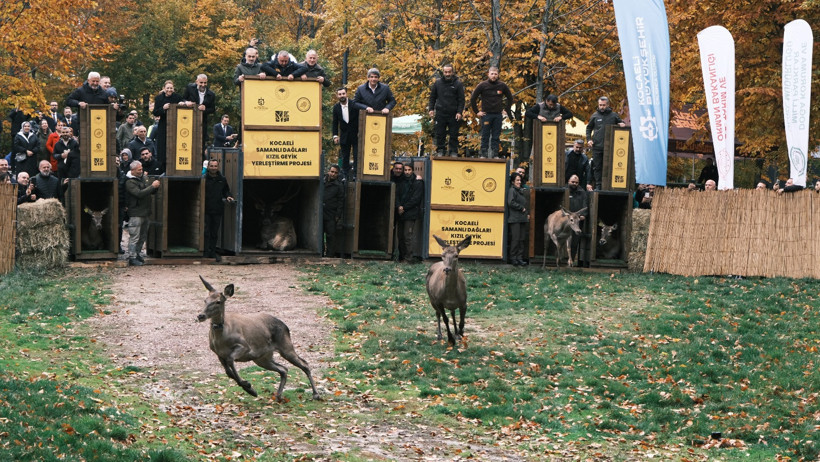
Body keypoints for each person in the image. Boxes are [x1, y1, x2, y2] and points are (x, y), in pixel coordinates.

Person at [470, 67, 514, 158]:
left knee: (496, 136)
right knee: (485, 135)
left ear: (498, 75)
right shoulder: (482, 85)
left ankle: (495, 154)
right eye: (492, 74)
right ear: (488, 74)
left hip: (498, 115)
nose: (493, 76)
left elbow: (510, 98)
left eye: (495, 74)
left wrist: (506, 109)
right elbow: (473, 98)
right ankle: (483, 154)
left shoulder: (502, 85)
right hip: (486, 114)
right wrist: (477, 112)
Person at [124, 161, 160, 266]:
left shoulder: (143, 178)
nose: (141, 171)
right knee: (134, 236)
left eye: (141, 168)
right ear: (132, 170)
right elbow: (139, 194)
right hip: (135, 213)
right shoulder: (129, 182)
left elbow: (148, 190)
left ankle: (137, 253)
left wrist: (155, 188)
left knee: (143, 236)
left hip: (145, 212)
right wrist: (153, 187)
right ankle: (132, 257)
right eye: (139, 169)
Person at [585, 96, 625, 190]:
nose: (602, 107)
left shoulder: (614, 115)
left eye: (603, 105)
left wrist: (621, 124)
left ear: (607, 105)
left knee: (609, 166)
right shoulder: (594, 115)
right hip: (597, 146)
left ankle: (609, 185)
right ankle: (598, 185)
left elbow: (621, 123)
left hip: (610, 146)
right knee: (597, 167)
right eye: (600, 105)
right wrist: (589, 139)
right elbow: (589, 128)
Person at [427, 64, 465, 157]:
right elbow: (432, 97)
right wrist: (431, 109)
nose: (447, 74)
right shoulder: (437, 83)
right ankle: (440, 150)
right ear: (443, 72)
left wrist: (459, 112)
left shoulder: (458, 84)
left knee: (454, 134)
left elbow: (461, 100)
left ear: (452, 72)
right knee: (440, 133)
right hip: (440, 112)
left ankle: (453, 151)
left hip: (454, 113)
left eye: (449, 72)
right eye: (445, 72)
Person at [203, 158, 235, 261]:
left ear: (218, 167)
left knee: (214, 232)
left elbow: (226, 190)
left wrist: (228, 196)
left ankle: (212, 252)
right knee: (206, 232)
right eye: (211, 166)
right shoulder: (204, 178)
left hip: (217, 209)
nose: (213, 168)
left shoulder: (222, 179)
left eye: (215, 166)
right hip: (206, 209)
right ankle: (205, 252)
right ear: (208, 167)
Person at [152, 80, 186, 172]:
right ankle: (163, 168)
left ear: (173, 89)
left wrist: (182, 103)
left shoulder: (177, 97)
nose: (169, 90)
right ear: (164, 89)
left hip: (175, 124)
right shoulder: (159, 98)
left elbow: (183, 101)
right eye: (168, 88)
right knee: (163, 146)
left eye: (171, 88)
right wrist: (163, 108)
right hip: (163, 124)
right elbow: (155, 112)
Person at [182, 74, 217, 155]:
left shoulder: (211, 94)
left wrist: (205, 109)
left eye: (205, 83)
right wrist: (186, 102)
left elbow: (212, 109)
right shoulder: (190, 88)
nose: (203, 85)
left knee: (201, 143)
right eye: (201, 82)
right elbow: (182, 99)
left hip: (202, 122)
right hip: (188, 120)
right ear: (196, 82)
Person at [395, 163, 423, 262]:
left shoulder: (418, 182)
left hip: (410, 213)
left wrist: (403, 207)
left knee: (407, 236)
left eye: (409, 170)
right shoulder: (401, 181)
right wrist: (399, 206)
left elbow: (416, 199)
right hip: (401, 212)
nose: (407, 172)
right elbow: (396, 194)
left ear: (412, 170)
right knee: (400, 237)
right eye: (405, 170)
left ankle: (409, 258)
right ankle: (402, 257)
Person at [331, 88, 359, 179]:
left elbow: (360, 118)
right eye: (340, 94)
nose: (342, 95)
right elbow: (335, 123)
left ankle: (356, 175)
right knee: (345, 157)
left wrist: (361, 132)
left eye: (343, 93)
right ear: (337, 96)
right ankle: (345, 176)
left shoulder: (354, 105)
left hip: (356, 135)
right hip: (344, 136)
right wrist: (335, 136)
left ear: (346, 94)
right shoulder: (336, 107)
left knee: (357, 155)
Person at [567, 174, 590, 266]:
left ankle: (571, 260)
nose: (574, 184)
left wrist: (583, 215)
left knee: (574, 242)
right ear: (568, 181)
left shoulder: (582, 192)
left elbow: (585, 206)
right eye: (572, 182)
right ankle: (562, 260)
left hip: (577, 222)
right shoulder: (565, 191)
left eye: (576, 182)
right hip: (566, 221)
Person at [322, 165, 345, 257]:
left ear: (338, 174)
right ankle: (320, 253)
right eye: (332, 171)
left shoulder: (339, 186)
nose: (333, 174)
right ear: (328, 171)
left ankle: (330, 255)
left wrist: (337, 215)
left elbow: (341, 201)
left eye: (335, 172)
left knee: (330, 235)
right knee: (319, 235)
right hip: (320, 212)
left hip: (331, 214)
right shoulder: (322, 182)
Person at [507, 172, 529, 266]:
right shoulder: (512, 190)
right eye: (517, 180)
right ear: (513, 182)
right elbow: (510, 202)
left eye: (520, 180)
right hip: (515, 219)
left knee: (521, 239)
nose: (519, 182)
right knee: (515, 239)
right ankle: (513, 258)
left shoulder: (521, 191)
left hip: (522, 219)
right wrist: (521, 208)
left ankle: (519, 258)